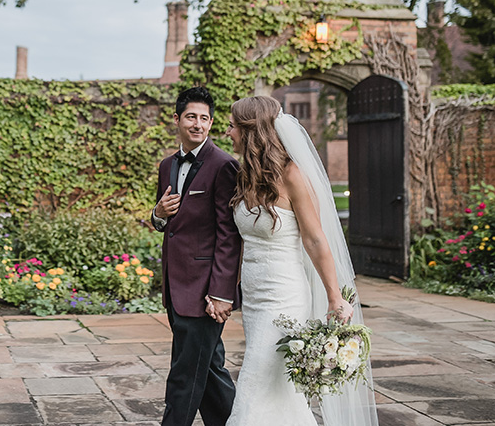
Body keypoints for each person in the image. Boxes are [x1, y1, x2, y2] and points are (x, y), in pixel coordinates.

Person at [222, 95, 378, 426]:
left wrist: (335, 297)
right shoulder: (246, 175)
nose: (227, 133)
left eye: (232, 126)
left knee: (254, 383)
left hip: (284, 296)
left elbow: (315, 238)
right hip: (254, 297)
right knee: (280, 390)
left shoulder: (292, 174)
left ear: (251, 131)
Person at [151, 86, 242, 426]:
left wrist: (220, 293)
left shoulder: (224, 166)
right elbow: (165, 222)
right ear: (177, 120)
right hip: (176, 289)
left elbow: (228, 235)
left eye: (205, 119)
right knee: (210, 370)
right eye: (191, 117)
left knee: (185, 375)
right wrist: (158, 213)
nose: (198, 124)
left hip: (205, 292)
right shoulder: (166, 165)